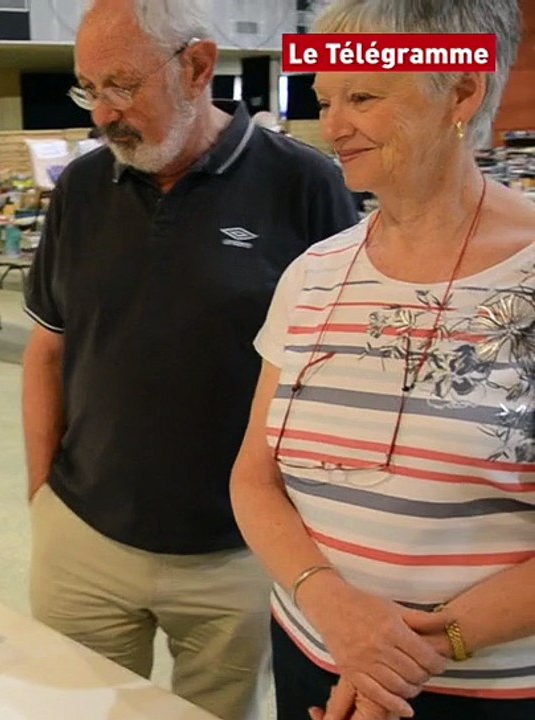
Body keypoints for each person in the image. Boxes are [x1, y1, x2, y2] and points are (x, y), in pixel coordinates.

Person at [22, 1, 358, 719]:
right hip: (82, 539)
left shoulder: (304, 185)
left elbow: (338, 381)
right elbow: (47, 351)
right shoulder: (80, 190)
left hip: (235, 558)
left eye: (121, 84)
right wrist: (40, 496)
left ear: (198, 66)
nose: (104, 114)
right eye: (89, 88)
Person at [229, 2, 534, 720]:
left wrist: (396, 659)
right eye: (327, 99)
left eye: (363, 96)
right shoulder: (314, 271)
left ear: (462, 91)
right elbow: (253, 476)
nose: (332, 127)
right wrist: (333, 608)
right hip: (311, 659)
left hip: (485, 692)